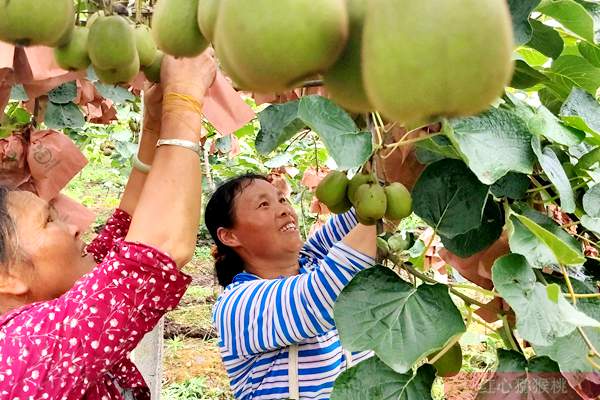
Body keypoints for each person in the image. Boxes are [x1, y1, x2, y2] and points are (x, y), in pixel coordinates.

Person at [0, 50, 216, 399]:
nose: (74, 227)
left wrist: (154, 127)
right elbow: (154, 253)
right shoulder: (21, 347)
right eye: (48, 222)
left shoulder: (52, 318)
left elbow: (126, 235)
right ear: (6, 277)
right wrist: (183, 102)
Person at [205, 174, 377, 400]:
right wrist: (374, 210)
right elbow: (320, 298)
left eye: (282, 200)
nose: (285, 210)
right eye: (263, 204)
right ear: (229, 236)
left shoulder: (313, 259)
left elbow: (365, 204)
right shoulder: (236, 305)